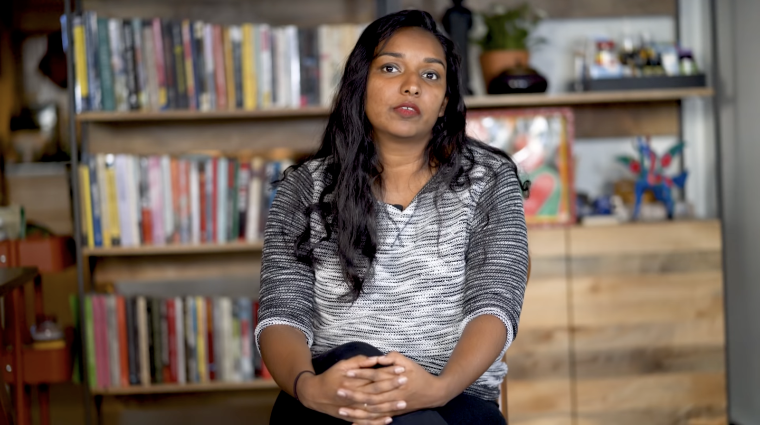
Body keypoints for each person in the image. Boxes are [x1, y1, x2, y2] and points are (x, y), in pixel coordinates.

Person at [255, 9, 530, 425]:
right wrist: (308, 388)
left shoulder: (490, 181)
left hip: (456, 397)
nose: (411, 86)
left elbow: (495, 303)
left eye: (431, 75)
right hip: (331, 398)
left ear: (444, 105)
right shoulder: (304, 188)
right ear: (360, 85)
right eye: (390, 68)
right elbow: (282, 313)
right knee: (354, 361)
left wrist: (438, 388)